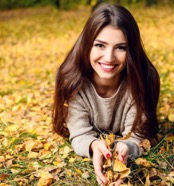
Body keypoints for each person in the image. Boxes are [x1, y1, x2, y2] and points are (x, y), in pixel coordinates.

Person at [52, 3, 160, 185]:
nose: (109, 57)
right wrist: (94, 146)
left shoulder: (141, 81)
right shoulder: (73, 81)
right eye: (100, 45)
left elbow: (138, 135)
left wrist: (126, 149)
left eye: (121, 48)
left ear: (131, 50)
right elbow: (79, 133)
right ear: (87, 45)